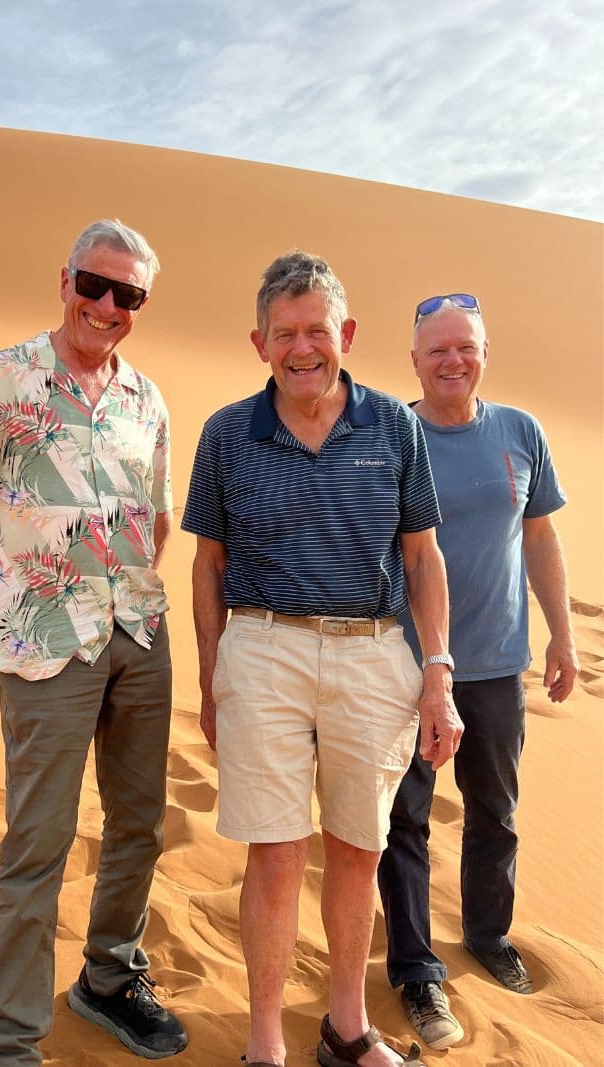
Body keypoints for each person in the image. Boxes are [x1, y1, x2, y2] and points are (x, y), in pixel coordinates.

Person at [182, 251, 464, 1067]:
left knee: (358, 845)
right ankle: (264, 1042)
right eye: (283, 334)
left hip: (373, 654)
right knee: (273, 851)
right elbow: (208, 563)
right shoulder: (228, 433)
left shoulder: (395, 425)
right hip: (262, 647)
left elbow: (422, 556)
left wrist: (437, 670)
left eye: (316, 330)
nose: (301, 348)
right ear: (258, 342)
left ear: (345, 333)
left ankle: (346, 1028)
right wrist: (211, 675)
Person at [0, 219, 187, 1066]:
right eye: (96, 284)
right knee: (38, 840)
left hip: (137, 632)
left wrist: (126, 587)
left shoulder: (147, 399)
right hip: (43, 641)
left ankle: (109, 979)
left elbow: (156, 517)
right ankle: (6, 1040)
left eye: (130, 295)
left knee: (140, 824)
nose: (108, 306)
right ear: (66, 279)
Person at [377, 293, 578, 1051]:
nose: (452, 362)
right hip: (405, 667)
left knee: (497, 811)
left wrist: (561, 636)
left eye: (465, 347)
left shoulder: (519, 430)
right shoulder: (394, 434)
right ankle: (415, 965)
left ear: (484, 352)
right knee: (405, 821)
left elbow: (540, 537)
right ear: (415, 360)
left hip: (497, 667)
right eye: (437, 351)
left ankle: (489, 933)